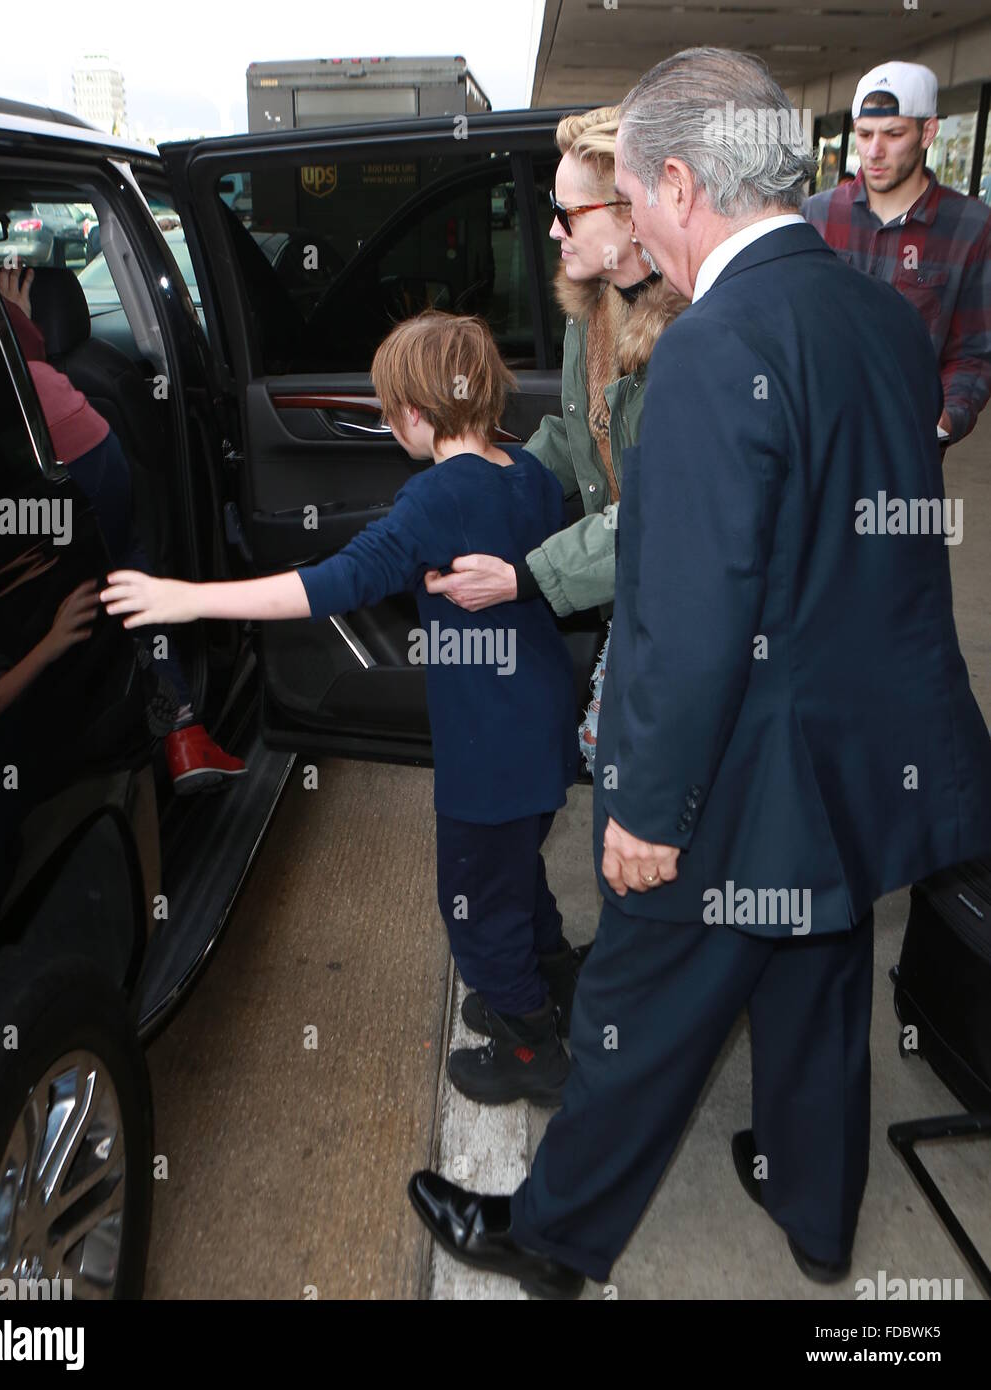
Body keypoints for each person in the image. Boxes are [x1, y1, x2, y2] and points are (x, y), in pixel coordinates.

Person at [407, 45, 991, 1299]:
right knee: (816, 966)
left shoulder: (710, 352)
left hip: (738, 762)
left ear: (676, 183)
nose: (624, 236)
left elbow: (690, 608)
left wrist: (641, 808)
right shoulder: (880, 317)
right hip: (861, 744)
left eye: (623, 197)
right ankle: (812, 1206)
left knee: (633, 998)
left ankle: (550, 1240)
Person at [101, 310, 580, 1107]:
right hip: (538, 730)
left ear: (416, 415)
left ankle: (533, 1046)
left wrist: (184, 598)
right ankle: (554, 974)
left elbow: (327, 587)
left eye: (390, 412)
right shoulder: (528, 472)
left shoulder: (430, 500)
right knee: (512, 871)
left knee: (473, 905)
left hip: (488, 756)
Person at [423, 106, 686, 1042]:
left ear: (631, 211)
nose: (550, 230)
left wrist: (527, 573)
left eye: (568, 213)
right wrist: (502, 476)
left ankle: (599, 1040)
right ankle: (586, 989)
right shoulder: (594, 315)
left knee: (632, 832)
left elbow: (661, 520)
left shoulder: (693, 338)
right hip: (632, 609)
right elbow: (579, 448)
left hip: (681, 610)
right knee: (614, 820)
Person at [0, 266, 246, 793]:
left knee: (120, 571)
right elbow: (29, 364)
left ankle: (174, 721)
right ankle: (183, 732)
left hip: (64, 445)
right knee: (125, 571)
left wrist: (10, 315)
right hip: (81, 439)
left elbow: (15, 370)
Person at [803, 61, 991, 447]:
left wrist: (946, 418)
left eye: (893, 134)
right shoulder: (816, 215)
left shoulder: (971, 228)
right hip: (812, 441)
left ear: (928, 132)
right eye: (864, 133)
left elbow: (975, 351)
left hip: (904, 450)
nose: (873, 151)